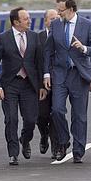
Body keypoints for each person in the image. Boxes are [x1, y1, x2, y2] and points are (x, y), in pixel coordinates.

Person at [43, 0, 91, 163]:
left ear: (71, 9)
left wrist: (83, 48)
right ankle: (63, 141)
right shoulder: (55, 24)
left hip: (79, 75)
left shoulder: (87, 25)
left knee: (79, 116)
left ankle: (78, 150)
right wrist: (46, 74)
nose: (58, 13)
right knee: (57, 110)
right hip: (60, 74)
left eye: (61, 10)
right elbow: (48, 50)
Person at [0, 7, 47, 165]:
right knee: (11, 119)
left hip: (29, 85)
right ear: (16, 22)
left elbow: (39, 62)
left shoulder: (34, 37)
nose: (29, 21)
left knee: (31, 120)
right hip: (10, 84)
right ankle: (13, 153)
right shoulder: (2, 38)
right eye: (26, 19)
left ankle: (25, 139)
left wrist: (41, 86)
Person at [37, 9, 59, 158]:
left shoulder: (63, 35)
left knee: (56, 114)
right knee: (42, 115)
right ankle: (44, 134)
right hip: (41, 83)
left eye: (57, 18)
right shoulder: (36, 37)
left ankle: (56, 147)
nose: (54, 21)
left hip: (59, 81)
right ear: (45, 21)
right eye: (52, 19)